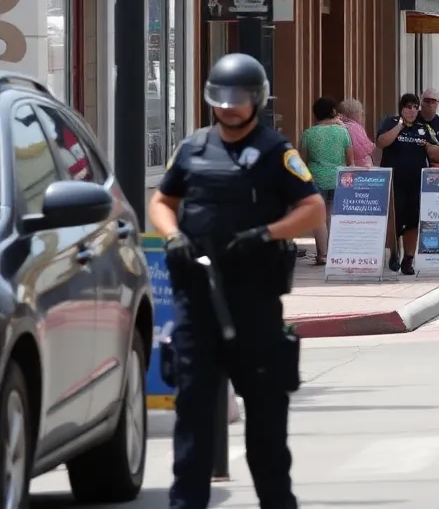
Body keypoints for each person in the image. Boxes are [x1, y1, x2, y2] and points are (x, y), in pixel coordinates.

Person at [147, 54, 326, 509]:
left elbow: (311, 207)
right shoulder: (193, 147)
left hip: (254, 300)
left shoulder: (275, 151)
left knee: (266, 417)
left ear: (257, 100)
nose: (229, 107)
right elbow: (163, 200)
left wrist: (266, 233)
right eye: (221, 98)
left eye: (239, 98)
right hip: (197, 298)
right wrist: (172, 237)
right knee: (192, 412)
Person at [376, 93, 439, 274]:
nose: (412, 110)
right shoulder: (390, 122)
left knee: (413, 222)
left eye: (415, 107)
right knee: (394, 222)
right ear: (401, 108)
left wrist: (429, 147)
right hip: (394, 183)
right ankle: (394, 254)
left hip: (416, 183)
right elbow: (381, 142)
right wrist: (400, 126)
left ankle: (409, 259)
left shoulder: (424, 127)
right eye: (408, 107)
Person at [298, 96, 354, 265]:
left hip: (316, 179)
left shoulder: (308, 134)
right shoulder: (343, 132)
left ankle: (322, 254)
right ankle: (333, 252)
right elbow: (350, 160)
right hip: (338, 178)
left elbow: (302, 161)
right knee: (331, 216)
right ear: (333, 112)